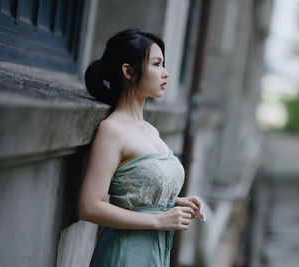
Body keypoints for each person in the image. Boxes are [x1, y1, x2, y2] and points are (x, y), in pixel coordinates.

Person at [78, 28, 206, 267]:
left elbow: (136, 191)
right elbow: (88, 206)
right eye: (157, 64)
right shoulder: (112, 130)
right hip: (126, 255)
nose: (165, 73)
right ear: (128, 71)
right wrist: (160, 220)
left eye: (163, 64)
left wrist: (174, 202)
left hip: (155, 253)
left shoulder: (150, 130)